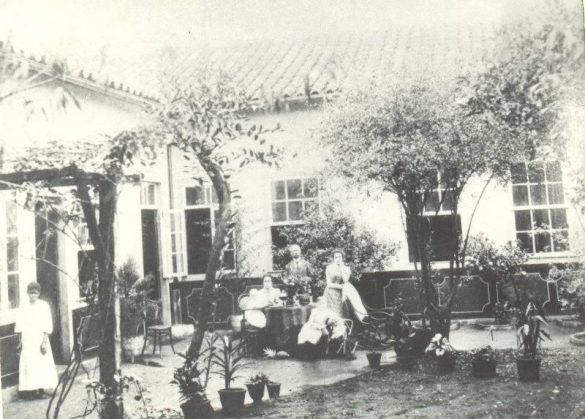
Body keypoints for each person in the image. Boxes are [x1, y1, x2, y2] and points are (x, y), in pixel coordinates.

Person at [16, 282, 58, 399]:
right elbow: (19, 325)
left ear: (39, 294)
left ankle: (41, 390)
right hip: (27, 340)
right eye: (31, 293)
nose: (33, 295)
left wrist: (44, 342)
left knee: (41, 364)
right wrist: (19, 341)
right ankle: (31, 391)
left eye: (35, 293)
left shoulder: (43, 306)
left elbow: (47, 324)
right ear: (27, 293)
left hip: (39, 339)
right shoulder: (23, 307)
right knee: (30, 364)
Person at [322, 249, 368, 321]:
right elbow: (329, 284)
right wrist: (341, 286)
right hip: (330, 293)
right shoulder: (329, 268)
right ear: (333, 258)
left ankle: (344, 327)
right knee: (331, 314)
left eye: (339, 257)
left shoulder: (346, 269)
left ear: (342, 258)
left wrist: (341, 268)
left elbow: (345, 280)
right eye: (336, 257)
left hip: (342, 293)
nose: (338, 259)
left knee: (342, 313)